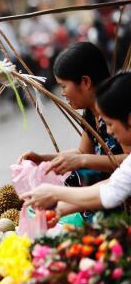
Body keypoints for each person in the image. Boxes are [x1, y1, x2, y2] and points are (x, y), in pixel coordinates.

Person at [18, 42, 126, 190]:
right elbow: (82, 152)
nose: (62, 93)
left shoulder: (118, 107)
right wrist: (42, 159)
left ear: (85, 82)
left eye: (63, 86)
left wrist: (83, 161)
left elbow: (127, 161)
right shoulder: (90, 113)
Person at [22, 73, 131, 217]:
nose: (109, 130)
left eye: (110, 124)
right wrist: (59, 209)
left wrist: (55, 193)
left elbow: (112, 192)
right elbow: (114, 183)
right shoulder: (91, 116)